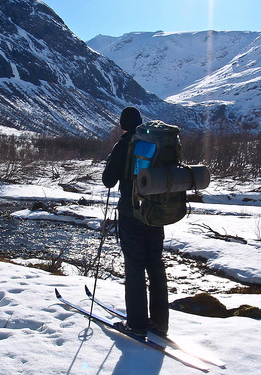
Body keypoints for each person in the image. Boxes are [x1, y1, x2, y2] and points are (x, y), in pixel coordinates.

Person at [102, 106, 169, 338]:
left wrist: (113, 158)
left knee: (135, 266)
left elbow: (108, 180)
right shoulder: (158, 143)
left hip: (132, 212)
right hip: (155, 212)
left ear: (123, 125)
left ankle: (136, 325)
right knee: (156, 266)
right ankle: (160, 323)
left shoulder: (124, 144)